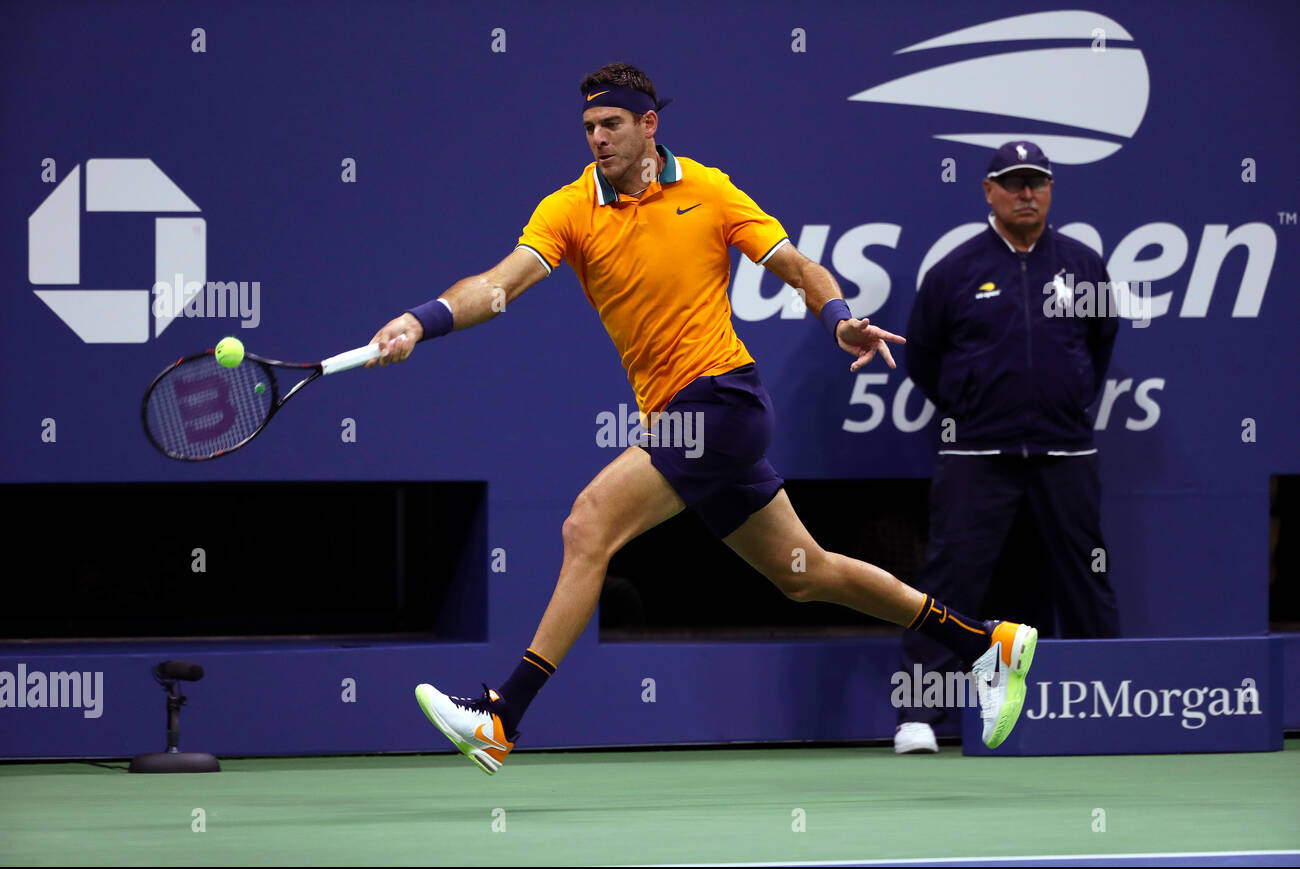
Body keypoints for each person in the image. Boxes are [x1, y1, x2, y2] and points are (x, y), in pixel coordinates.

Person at [367, 63, 1038, 774]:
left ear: (648, 125)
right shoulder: (568, 209)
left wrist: (839, 318)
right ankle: (982, 642)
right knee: (804, 573)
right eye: (589, 127)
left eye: (613, 125)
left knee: (587, 523)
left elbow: (802, 268)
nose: (598, 139)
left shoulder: (710, 192)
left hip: (721, 400)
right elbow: (498, 283)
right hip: (697, 420)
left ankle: (502, 716)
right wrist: (420, 321)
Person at [893, 141, 1119, 755]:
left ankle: (1112, 703)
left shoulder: (1083, 265)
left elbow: (1099, 347)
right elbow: (924, 358)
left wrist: (1064, 402)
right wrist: (972, 408)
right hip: (977, 454)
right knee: (951, 578)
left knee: (1085, 576)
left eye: (1037, 183)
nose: (1026, 193)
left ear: (1050, 190)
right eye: (1013, 183)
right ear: (988, 191)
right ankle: (920, 715)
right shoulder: (955, 271)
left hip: (1064, 450)